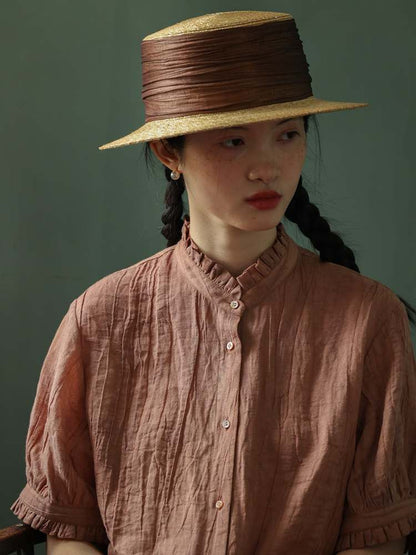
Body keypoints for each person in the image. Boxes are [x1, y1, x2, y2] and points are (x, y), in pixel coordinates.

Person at [10, 10, 416, 555]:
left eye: (287, 134)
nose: (267, 167)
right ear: (168, 152)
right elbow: (68, 529)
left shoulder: (368, 317)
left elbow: (378, 534)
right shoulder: (99, 318)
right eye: (233, 142)